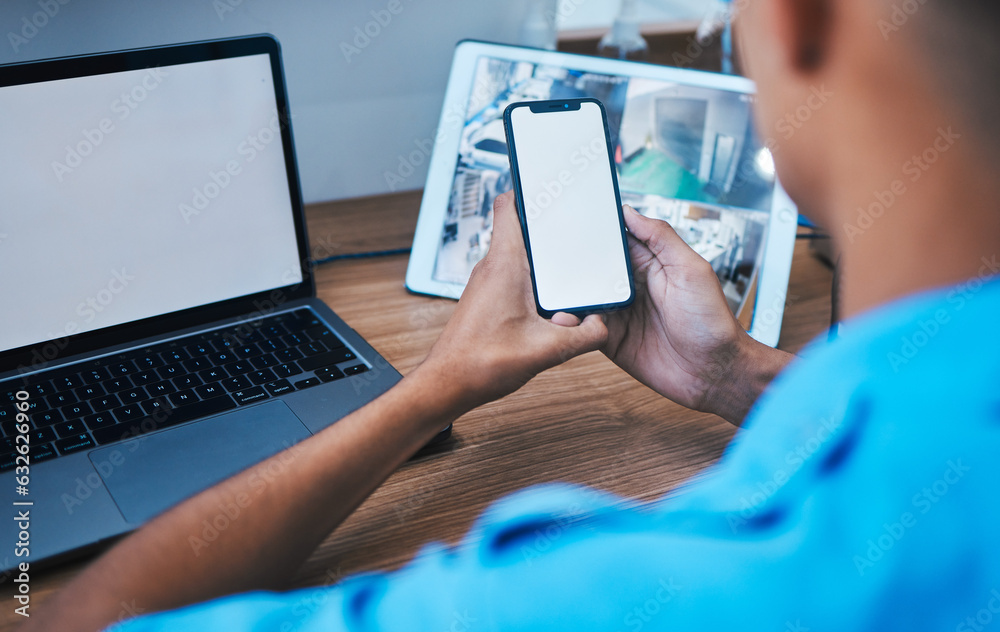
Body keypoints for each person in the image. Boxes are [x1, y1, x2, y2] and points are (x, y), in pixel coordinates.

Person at [23, 0, 1000, 630]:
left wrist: (434, 387)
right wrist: (730, 374)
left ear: (798, 22)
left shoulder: (603, 594)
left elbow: (82, 618)